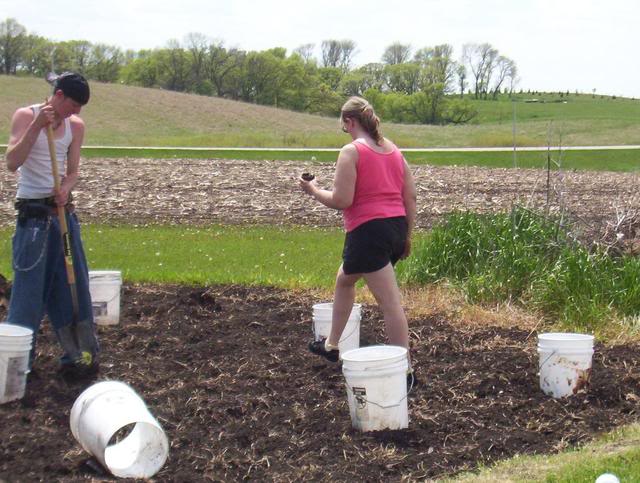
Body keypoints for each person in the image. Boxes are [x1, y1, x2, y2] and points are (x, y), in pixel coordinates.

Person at [299, 96, 417, 383]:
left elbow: (342, 199)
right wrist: (407, 236)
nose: (346, 131)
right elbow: (410, 196)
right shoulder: (393, 150)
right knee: (345, 279)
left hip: (368, 233)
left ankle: (406, 372)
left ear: (350, 122)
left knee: (390, 304)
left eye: (345, 126)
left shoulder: (351, 152)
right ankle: (332, 346)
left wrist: (313, 190)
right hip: (395, 228)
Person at [3, 72, 99, 378]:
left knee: (73, 286)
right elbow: (12, 161)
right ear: (57, 96)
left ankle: (79, 355)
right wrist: (37, 126)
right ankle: (18, 364)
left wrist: (66, 188)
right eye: (73, 103)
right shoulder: (25, 116)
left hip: (63, 217)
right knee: (29, 293)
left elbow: (73, 172)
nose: (77, 111)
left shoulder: (76, 127)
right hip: (33, 219)